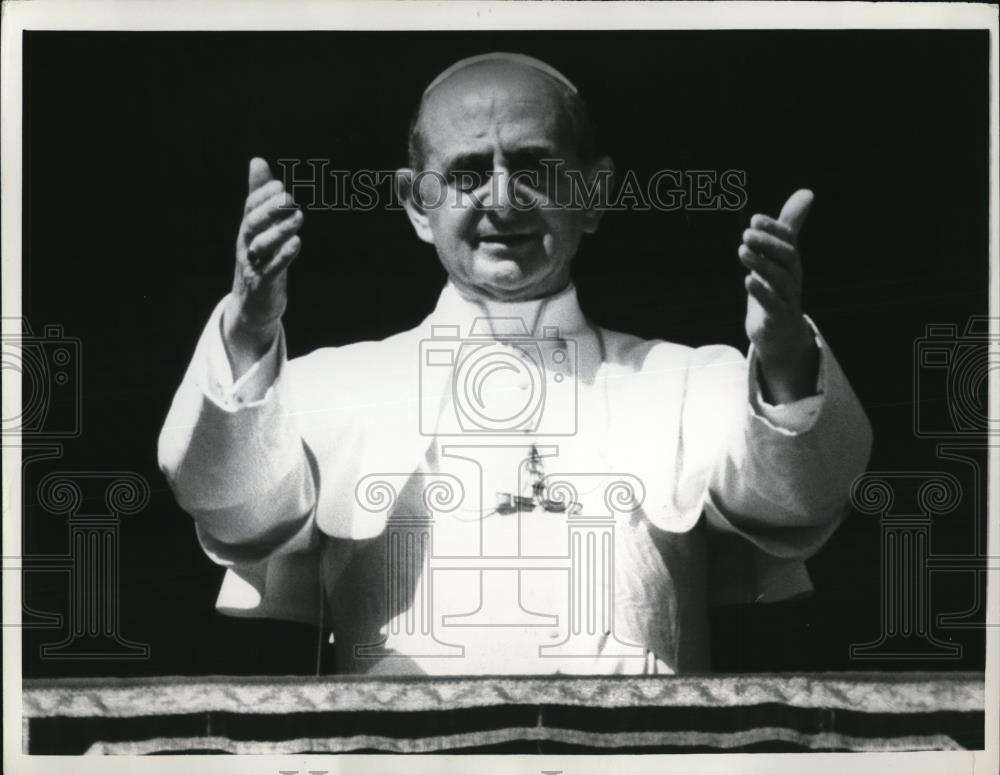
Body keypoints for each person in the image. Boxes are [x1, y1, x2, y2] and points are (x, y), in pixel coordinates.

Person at [158, 52, 873, 675]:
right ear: (416, 204)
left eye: (532, 167)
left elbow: (800, 498)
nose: (502, 197)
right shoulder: (327, 388)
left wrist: (781, 354)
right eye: (469, 173)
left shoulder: (686, 382)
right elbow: (231, 506)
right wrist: (250, 331)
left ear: (592, 194)